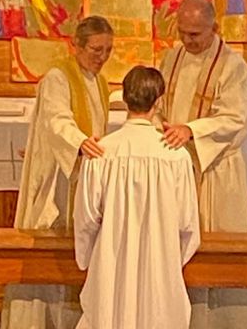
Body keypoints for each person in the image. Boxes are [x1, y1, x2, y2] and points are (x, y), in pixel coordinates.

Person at [1, 15, 114, 329]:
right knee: (49, 251)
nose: (102, 58)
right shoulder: (57, 78)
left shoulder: (100, 82)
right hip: (58, 180)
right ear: (74, 45)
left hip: (84, 177)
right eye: (95, 50)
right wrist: (79, 142)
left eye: (108, 50)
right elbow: (56, 119)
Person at [159, 0, 247, 329]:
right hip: (176, 169)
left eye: (196, 35)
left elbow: (234, 118)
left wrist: (191, 130)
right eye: (183, 32)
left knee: (219, 247)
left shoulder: (233, 67)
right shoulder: (171, 58)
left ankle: (224, 322)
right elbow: (161, 106)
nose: (188, 41)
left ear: (215, 28)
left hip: (215, 170)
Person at [74, 65, 200, 329]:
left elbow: (85, 218)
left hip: (111, 260)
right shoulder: (176, 156)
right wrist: (167, 258)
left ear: (124, 98)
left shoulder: (101, 152)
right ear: (159, 102)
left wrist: (87, 259)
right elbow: (187, 223)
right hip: (160, 263)